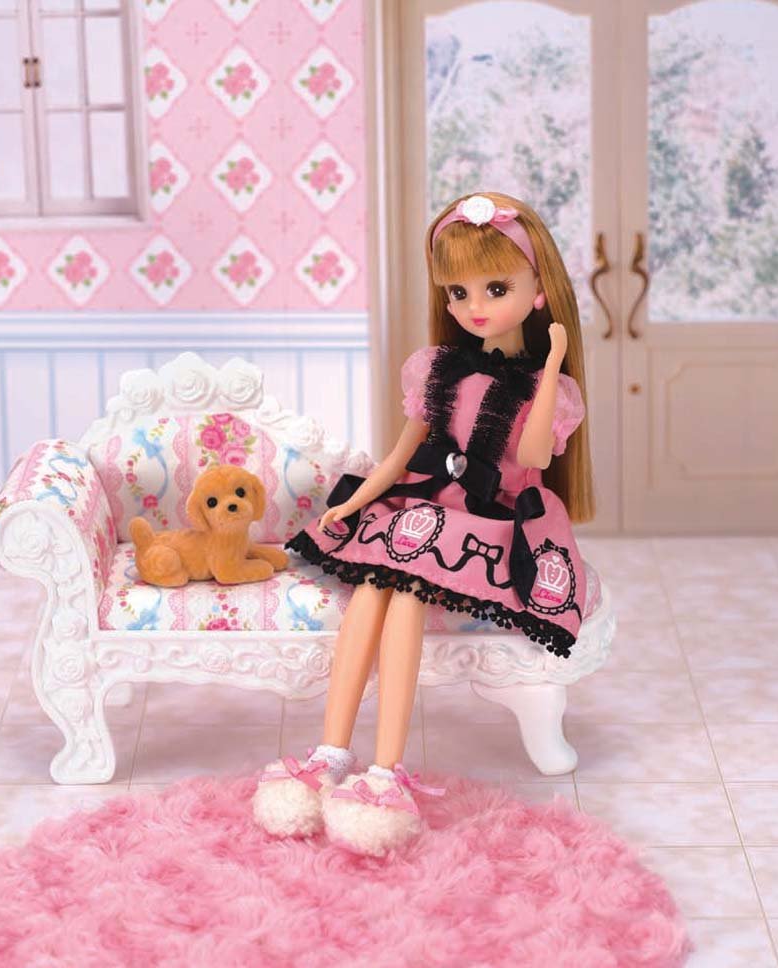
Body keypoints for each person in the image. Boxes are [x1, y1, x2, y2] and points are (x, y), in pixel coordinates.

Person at [253, 192, 595, 857]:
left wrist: (552, 364)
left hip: (490, 520)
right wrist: (355, 502)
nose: (474, 306)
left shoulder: (549, 392)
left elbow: (531, 458)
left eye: (496, 289)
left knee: (406, 590)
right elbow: (401, 455)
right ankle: (329, 753)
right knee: (372, 586)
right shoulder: (438, 368)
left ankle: (386, 771)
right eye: (458, 292)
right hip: (426, 504)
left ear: (538, 293)